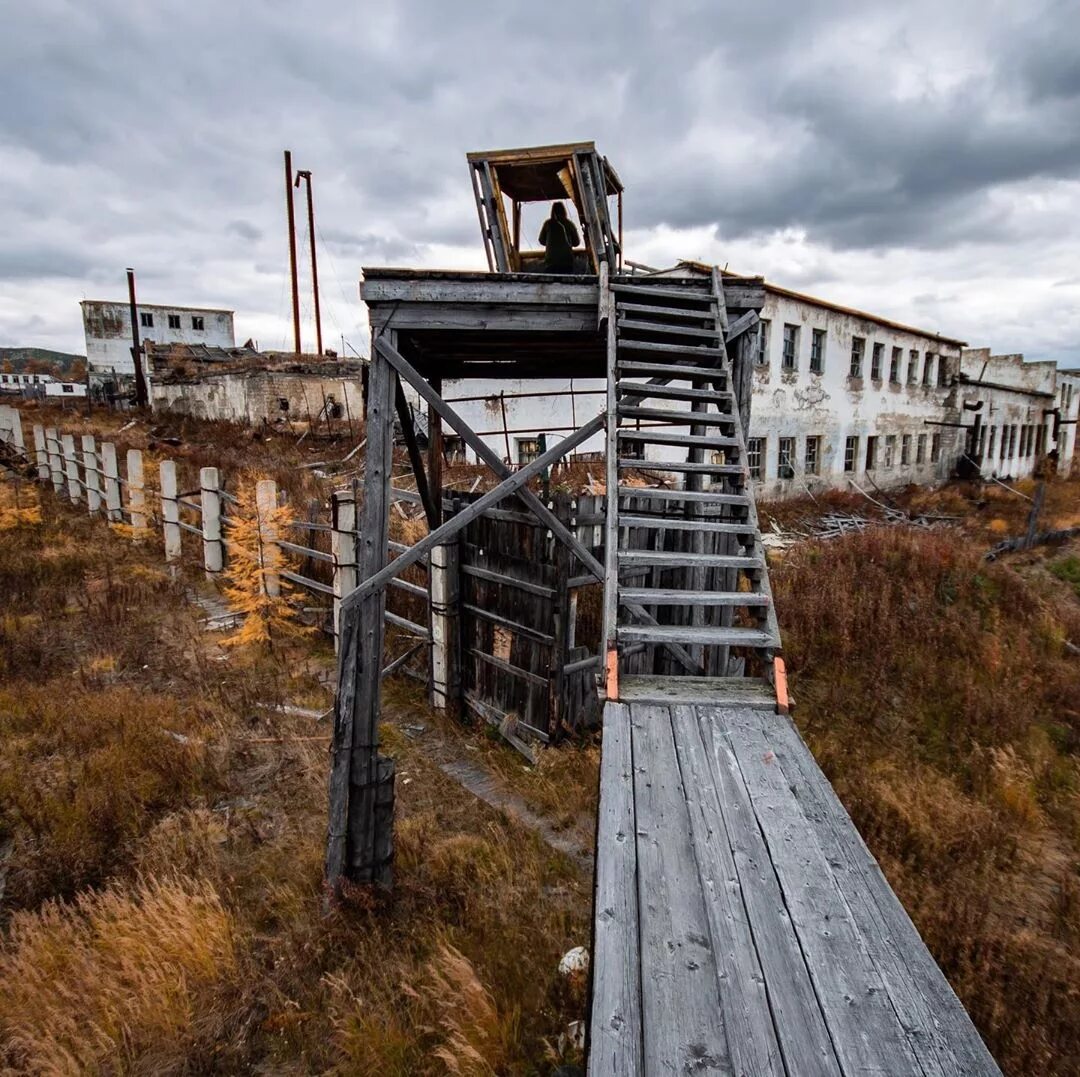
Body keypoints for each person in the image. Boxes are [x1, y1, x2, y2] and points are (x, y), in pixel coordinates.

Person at [539, 202, 580, 273]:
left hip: (550, 263)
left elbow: (541, 240)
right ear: (564, 211)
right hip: (567, 263)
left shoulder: (548, 223)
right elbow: (576, 243)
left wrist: (551, 243)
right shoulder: (569, 224)